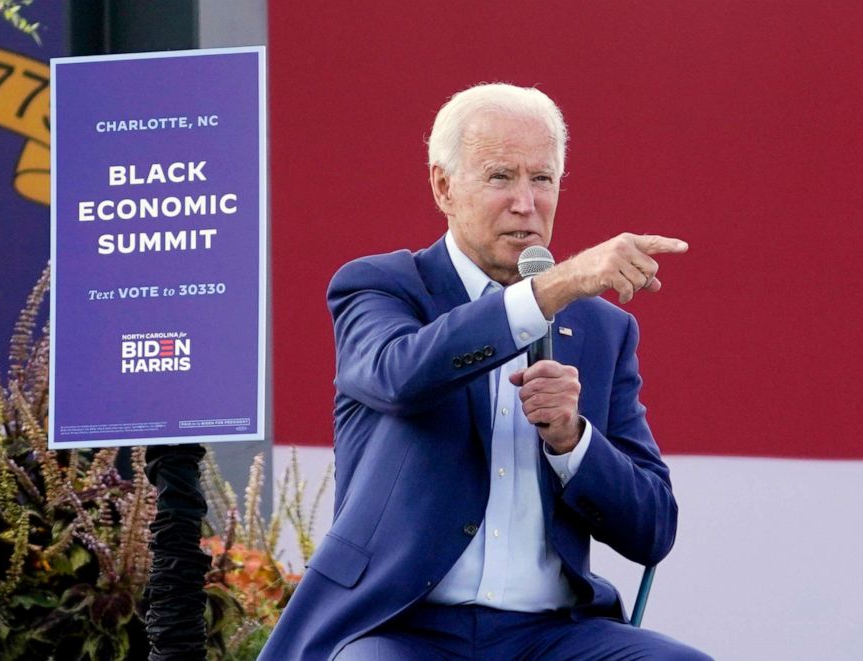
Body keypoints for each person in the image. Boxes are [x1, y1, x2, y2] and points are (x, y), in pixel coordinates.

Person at [259, 83, 710, 660]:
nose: (525, 202)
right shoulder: (382, 285)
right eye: (500, 177)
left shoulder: (603, 330)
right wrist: (555, 288)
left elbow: (652, 530)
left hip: (551, 635)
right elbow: (400, 376)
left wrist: (573, 442)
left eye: (542, 179)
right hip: (400, 628)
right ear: (443, 186)